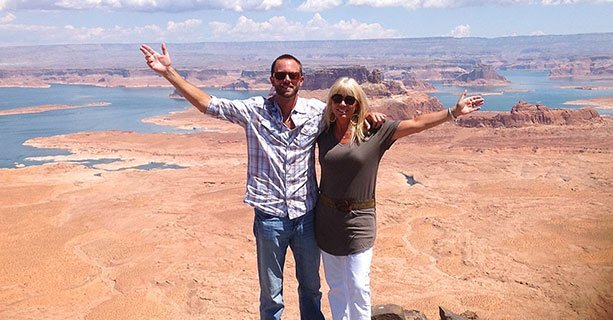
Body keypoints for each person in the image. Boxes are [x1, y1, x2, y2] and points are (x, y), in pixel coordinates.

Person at [140, 43, 384, 320]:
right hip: (269, 219)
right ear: (272, 80)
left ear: (301, 80)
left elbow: (345, 110)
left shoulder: (317, 112)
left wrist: (368, 115)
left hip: (307, 217)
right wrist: (168, 72)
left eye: (293, 75)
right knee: (271, 294)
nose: (287, 80)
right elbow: (208, 105)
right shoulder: (254, 110)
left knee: (311, 289)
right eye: (281, 75)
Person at [315, 77, 484, 320]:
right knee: (337, 287)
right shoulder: (322, 131)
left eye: (349, 99)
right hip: (327, 220)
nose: (343, 103)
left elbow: (416, 123)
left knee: (359, 284)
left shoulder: (374, 132)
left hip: (360, 220)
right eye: (337, 98)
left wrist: (452, 113)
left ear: (357, 104)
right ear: (330, 101)